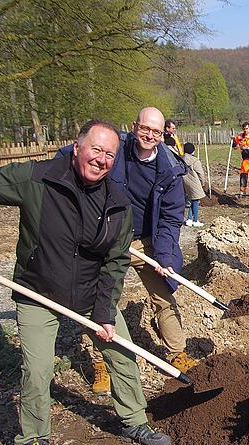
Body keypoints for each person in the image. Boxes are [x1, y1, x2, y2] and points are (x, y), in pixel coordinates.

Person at [0, 120, 171, 445]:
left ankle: (135, 422)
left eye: (110, 154)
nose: (101, 159)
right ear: (77, 147)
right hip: (38, 291)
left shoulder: (117, 202)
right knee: (38, 370)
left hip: (89, 293)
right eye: (96, 149)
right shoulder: (39, 178)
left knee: (122, 354)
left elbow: (116, 261)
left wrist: (104, 313)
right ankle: (33, 438)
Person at [57, 107, 196, 395]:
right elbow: (72, 154)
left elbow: (171, 218)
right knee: (99, 298)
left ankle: (178, 353)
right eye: (145, 128)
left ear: (163, 134)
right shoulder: (115, 148)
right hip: (106, 237)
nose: (149, 135)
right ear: (134, 127)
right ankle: (101, 363)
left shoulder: (171, 169)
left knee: (163, 296)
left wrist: (165, 257)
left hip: (145, 242)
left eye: (156, 132)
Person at [182, 142, 206, 227]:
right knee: (196, 201)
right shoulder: (195, 161)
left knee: (192, 200)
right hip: (194, 182)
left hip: (185, 182)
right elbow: (200, 173)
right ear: (193, 151)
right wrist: (202, 182)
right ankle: (195, 220)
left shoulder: (181, 159)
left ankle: (189, 219)